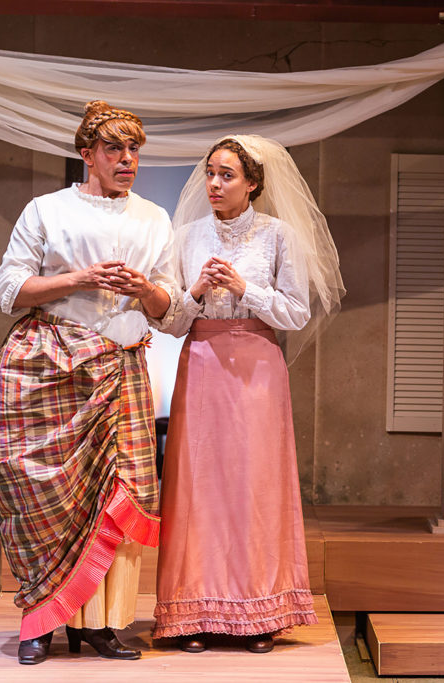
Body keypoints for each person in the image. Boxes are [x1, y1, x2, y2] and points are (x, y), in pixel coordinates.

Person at [0, 101, 177, 664]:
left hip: (119, 372)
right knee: (48, 495)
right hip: (52, 368)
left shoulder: (153, 218)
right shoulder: (47, 209)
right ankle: (41, 618)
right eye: (114, 149)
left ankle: (101, 624)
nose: (128, 159)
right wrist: (80, 278)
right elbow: (8, 289)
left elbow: (169, 309)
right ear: (86, 154)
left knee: (115, 494)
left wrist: (144, 289)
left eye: (134, 149)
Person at [153, 134, 343, 654]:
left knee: (255, 487)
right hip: (203, 363)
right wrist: (193, 294)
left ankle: (260, 614)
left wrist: (244, 288)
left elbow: (297, 314)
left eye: (227, 174)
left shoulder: (279, 236)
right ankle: (193, 613)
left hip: (258, 367)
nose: (214, 183)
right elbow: (168, 323)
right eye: (210, 172)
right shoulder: (186, 236)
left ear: (253, 184)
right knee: (199, 487)